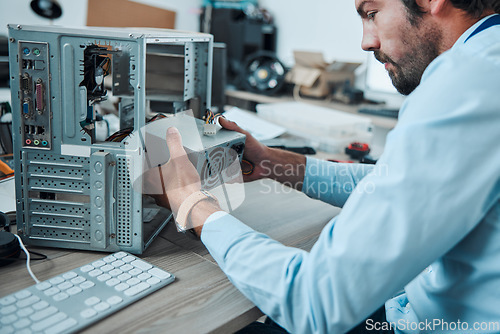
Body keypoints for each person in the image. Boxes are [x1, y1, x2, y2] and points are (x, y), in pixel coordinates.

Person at [146, 0, 500, 332]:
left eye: (371, 12)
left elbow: (315, 303)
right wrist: (274, 164)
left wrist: (192, 204)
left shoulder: (464, 82)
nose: (366, 41)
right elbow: (400, 182)